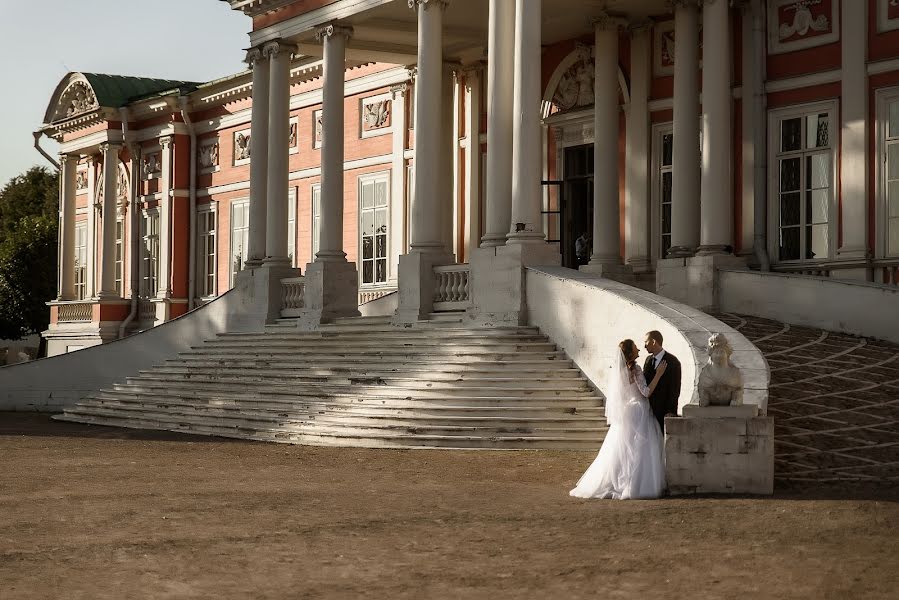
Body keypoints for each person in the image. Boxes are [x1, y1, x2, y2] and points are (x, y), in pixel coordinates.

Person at [570, 339, 666, 500]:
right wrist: (658, 374)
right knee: (640, 450)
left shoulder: (619, 371)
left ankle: (620, 480)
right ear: (630, 353)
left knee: (622, 449)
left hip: (628, 411)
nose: (639, 349)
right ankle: (637, 484)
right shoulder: (635, 369)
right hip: (640, 410)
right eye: (635, 347)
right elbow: (646, 392)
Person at [643, 330, 681, 433]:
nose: (644, 346)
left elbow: (675, 389)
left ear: (654, 342)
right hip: (647, 411)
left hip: (663, 412)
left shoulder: (673, 361)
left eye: (646, 342)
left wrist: (671, 411)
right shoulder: (647, 360)